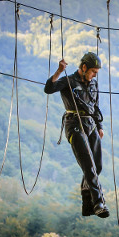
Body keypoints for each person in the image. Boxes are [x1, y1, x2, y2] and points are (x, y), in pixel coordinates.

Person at [44, 52, 109, 218]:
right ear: (84, 67)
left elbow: (95, 106)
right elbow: (49, 89)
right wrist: (59, 71)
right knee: (89, 165)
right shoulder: (69, 80)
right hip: (74, 124)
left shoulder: (93, 83)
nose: (95, 75)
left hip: (91, 124)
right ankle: (98, 202)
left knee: (97, 165)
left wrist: (99, 126)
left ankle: (87, 205)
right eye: (93, 71)